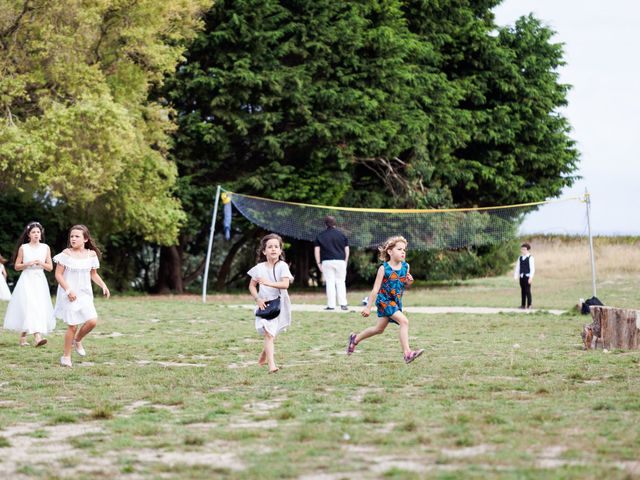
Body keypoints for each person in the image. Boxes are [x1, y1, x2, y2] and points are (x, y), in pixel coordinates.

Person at [346, 235, 424, 364]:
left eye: (404, 250)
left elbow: (403, 282)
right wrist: (368, 307)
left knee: (379, 329)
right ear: (389, 251)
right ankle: (407, 353)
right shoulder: (384, 269)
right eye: (399, 249)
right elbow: (375, 289)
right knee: (404, 321)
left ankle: (355, 339)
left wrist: (409, 281)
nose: (403, 252)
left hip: (396, 301)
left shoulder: (406, 267)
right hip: (384, 301)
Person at [54, 225, 110, 367]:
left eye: (77, 236)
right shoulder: (66, 254)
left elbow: (94, 274)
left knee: (92, 321)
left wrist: (103, 285)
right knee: (72, 326)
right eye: (71, 236)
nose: (73, 238)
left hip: (85, 293)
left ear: (85, 239)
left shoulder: (91, 255)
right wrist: (68, 290)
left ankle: (77, 340)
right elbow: (58, 275)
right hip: (69, 294)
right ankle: (66, 357)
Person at [2, 222, 55, 347]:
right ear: (29, 234)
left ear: (41, 234)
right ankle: (37, 337)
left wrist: (41, 263)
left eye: (38, 232)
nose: (36, 234)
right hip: (27, 279)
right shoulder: (23, 248)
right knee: (29, 305)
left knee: (37, 306)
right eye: (33, 232)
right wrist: (27, 264)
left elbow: (50, 267)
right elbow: (16, 266)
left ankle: (23, 337)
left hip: (40, 280)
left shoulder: (45, 248)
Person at [248, 233, 294, 373]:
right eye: (270, 247)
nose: (273, 249)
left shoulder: (283, 266)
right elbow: (251, 286)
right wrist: (258, 299)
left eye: (276, 247)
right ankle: (272, 365)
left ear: (280, 251)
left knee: (272, 333)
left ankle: (264, 354)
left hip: (280, 303)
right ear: (264, 251)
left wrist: (268, 283)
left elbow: (285, 284)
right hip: (264, 304)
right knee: (268, 333)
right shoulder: (259, 268)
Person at [314, 215, 349, 311]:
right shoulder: (342, 235)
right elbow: (347, 249)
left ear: (325, 224)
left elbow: (317, 250)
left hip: (327, 261)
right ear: (335, 223)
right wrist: (345, 261)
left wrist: (318, 263)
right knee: (341, 282)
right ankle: (343, 304)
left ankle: (331, 305)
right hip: (340, 261)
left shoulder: (320, 235)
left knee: (330, 283)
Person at [514, 242, 535, 309]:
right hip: (522, 276)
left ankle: (529, 304)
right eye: (522, 249)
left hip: (527, 276)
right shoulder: (520, 258)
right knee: (522, 290)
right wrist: (516, 276)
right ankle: (523, 305)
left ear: (527, 250)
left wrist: (530, 278)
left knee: (527, 290)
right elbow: (518, 267)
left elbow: (532, 269)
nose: (523, 250)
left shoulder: (530, 258)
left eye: (524, 249)